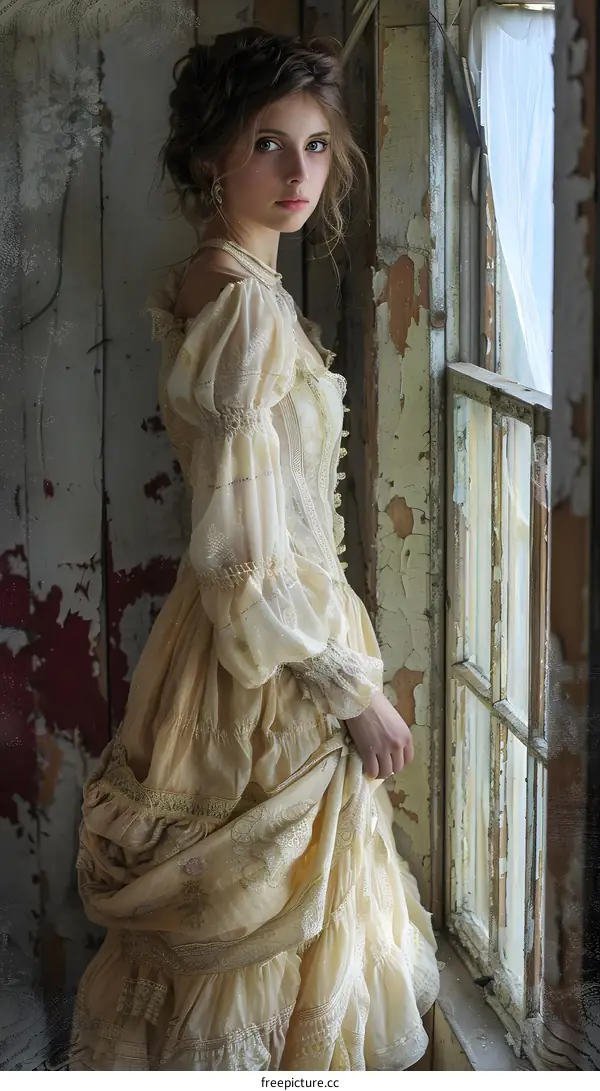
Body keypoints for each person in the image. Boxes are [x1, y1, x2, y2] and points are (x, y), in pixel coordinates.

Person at [69, 27, 439, 1071]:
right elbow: (244, 554)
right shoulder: (243, 308)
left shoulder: (210, 279)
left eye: (317, 147)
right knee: (262, 944)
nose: (298, 173)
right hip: (264, 657)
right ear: (209, 159)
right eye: (269, 144)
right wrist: (350, 689)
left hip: (238, 635)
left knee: (277, 942)